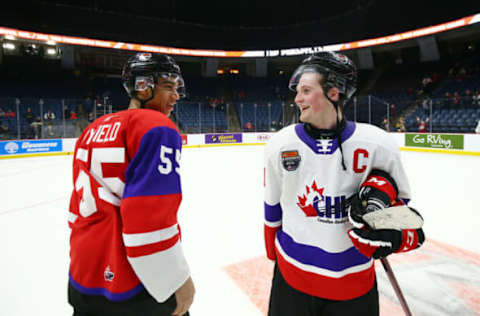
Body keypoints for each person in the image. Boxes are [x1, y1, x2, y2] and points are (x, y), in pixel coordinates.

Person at [264, 52, 424, 316]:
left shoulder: (377, 145)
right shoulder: (280, 145)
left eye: (306, 90)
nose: (297, 98)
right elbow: (272, 210)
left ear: (334, 92)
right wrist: (273, 256)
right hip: (292, 281)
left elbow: (401, 209)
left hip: (354, 286)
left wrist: (390, 227)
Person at [68, 53, 195, 316]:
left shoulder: (92, 128)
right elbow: (149, 218)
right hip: (134, 281)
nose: (176, 95)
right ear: (143, 86)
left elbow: (74, 212)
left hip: (83, 271)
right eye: (168, 87)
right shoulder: (158, 126)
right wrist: (175, 280)